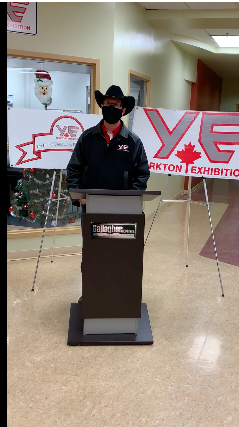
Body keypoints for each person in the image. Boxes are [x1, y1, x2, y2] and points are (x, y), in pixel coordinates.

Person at [66, 85, 151, 304]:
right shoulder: (87, 138)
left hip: (122, 212)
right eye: (107, 103)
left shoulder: (133, 142)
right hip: (92, 208)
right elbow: (73, 170)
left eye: (116, 105)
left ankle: (118, 297)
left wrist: (131, 200)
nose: (111, 107)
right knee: (93, 252)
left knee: (119, 253)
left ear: (123, 110)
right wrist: (79, 195)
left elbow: (142, 174)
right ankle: (92, 295)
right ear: (101, 106)